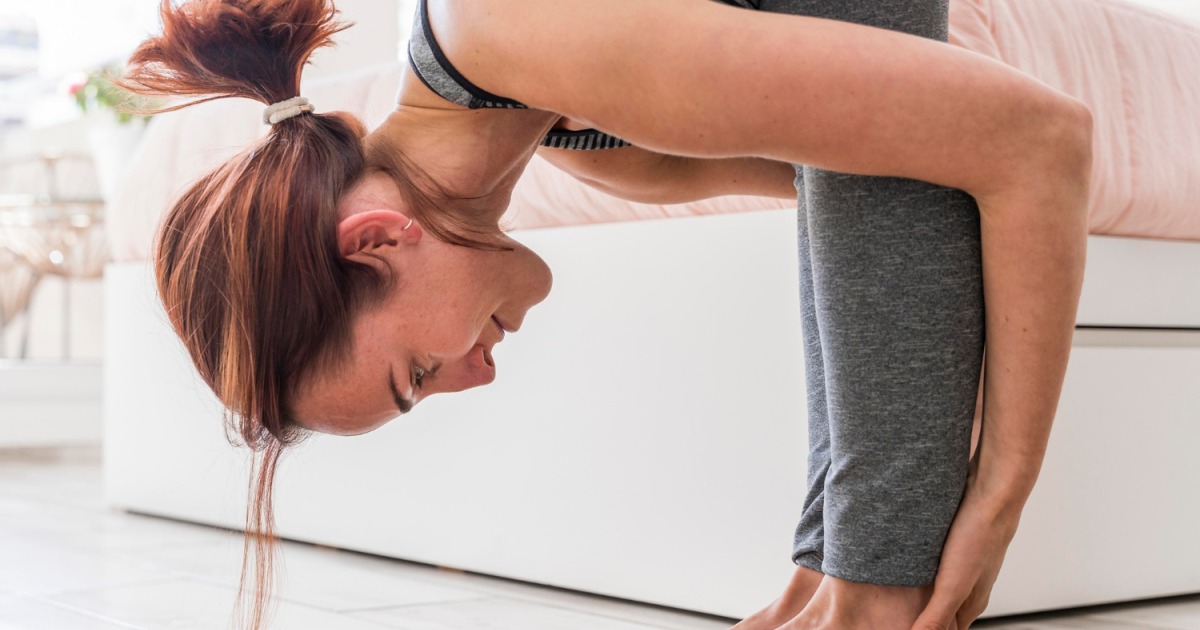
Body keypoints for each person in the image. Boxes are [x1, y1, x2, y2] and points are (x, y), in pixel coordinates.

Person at [119, 0, 1093, 629]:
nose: (475, 377)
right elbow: (875, 169)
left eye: (416, 373)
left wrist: (996, 495)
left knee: (876, 594)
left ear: (377, 241)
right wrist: (825, 554)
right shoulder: (589, 137)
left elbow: (1036, 141)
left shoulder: (511, 23)